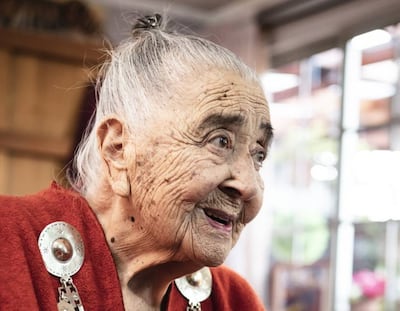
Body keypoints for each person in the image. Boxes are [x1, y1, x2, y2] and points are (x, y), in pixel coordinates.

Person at [0, 14, 273, 311]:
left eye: (258, 155)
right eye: (220, 141)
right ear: (118, 149)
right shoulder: (9, 241)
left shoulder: (231, 300)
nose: (248, 188)